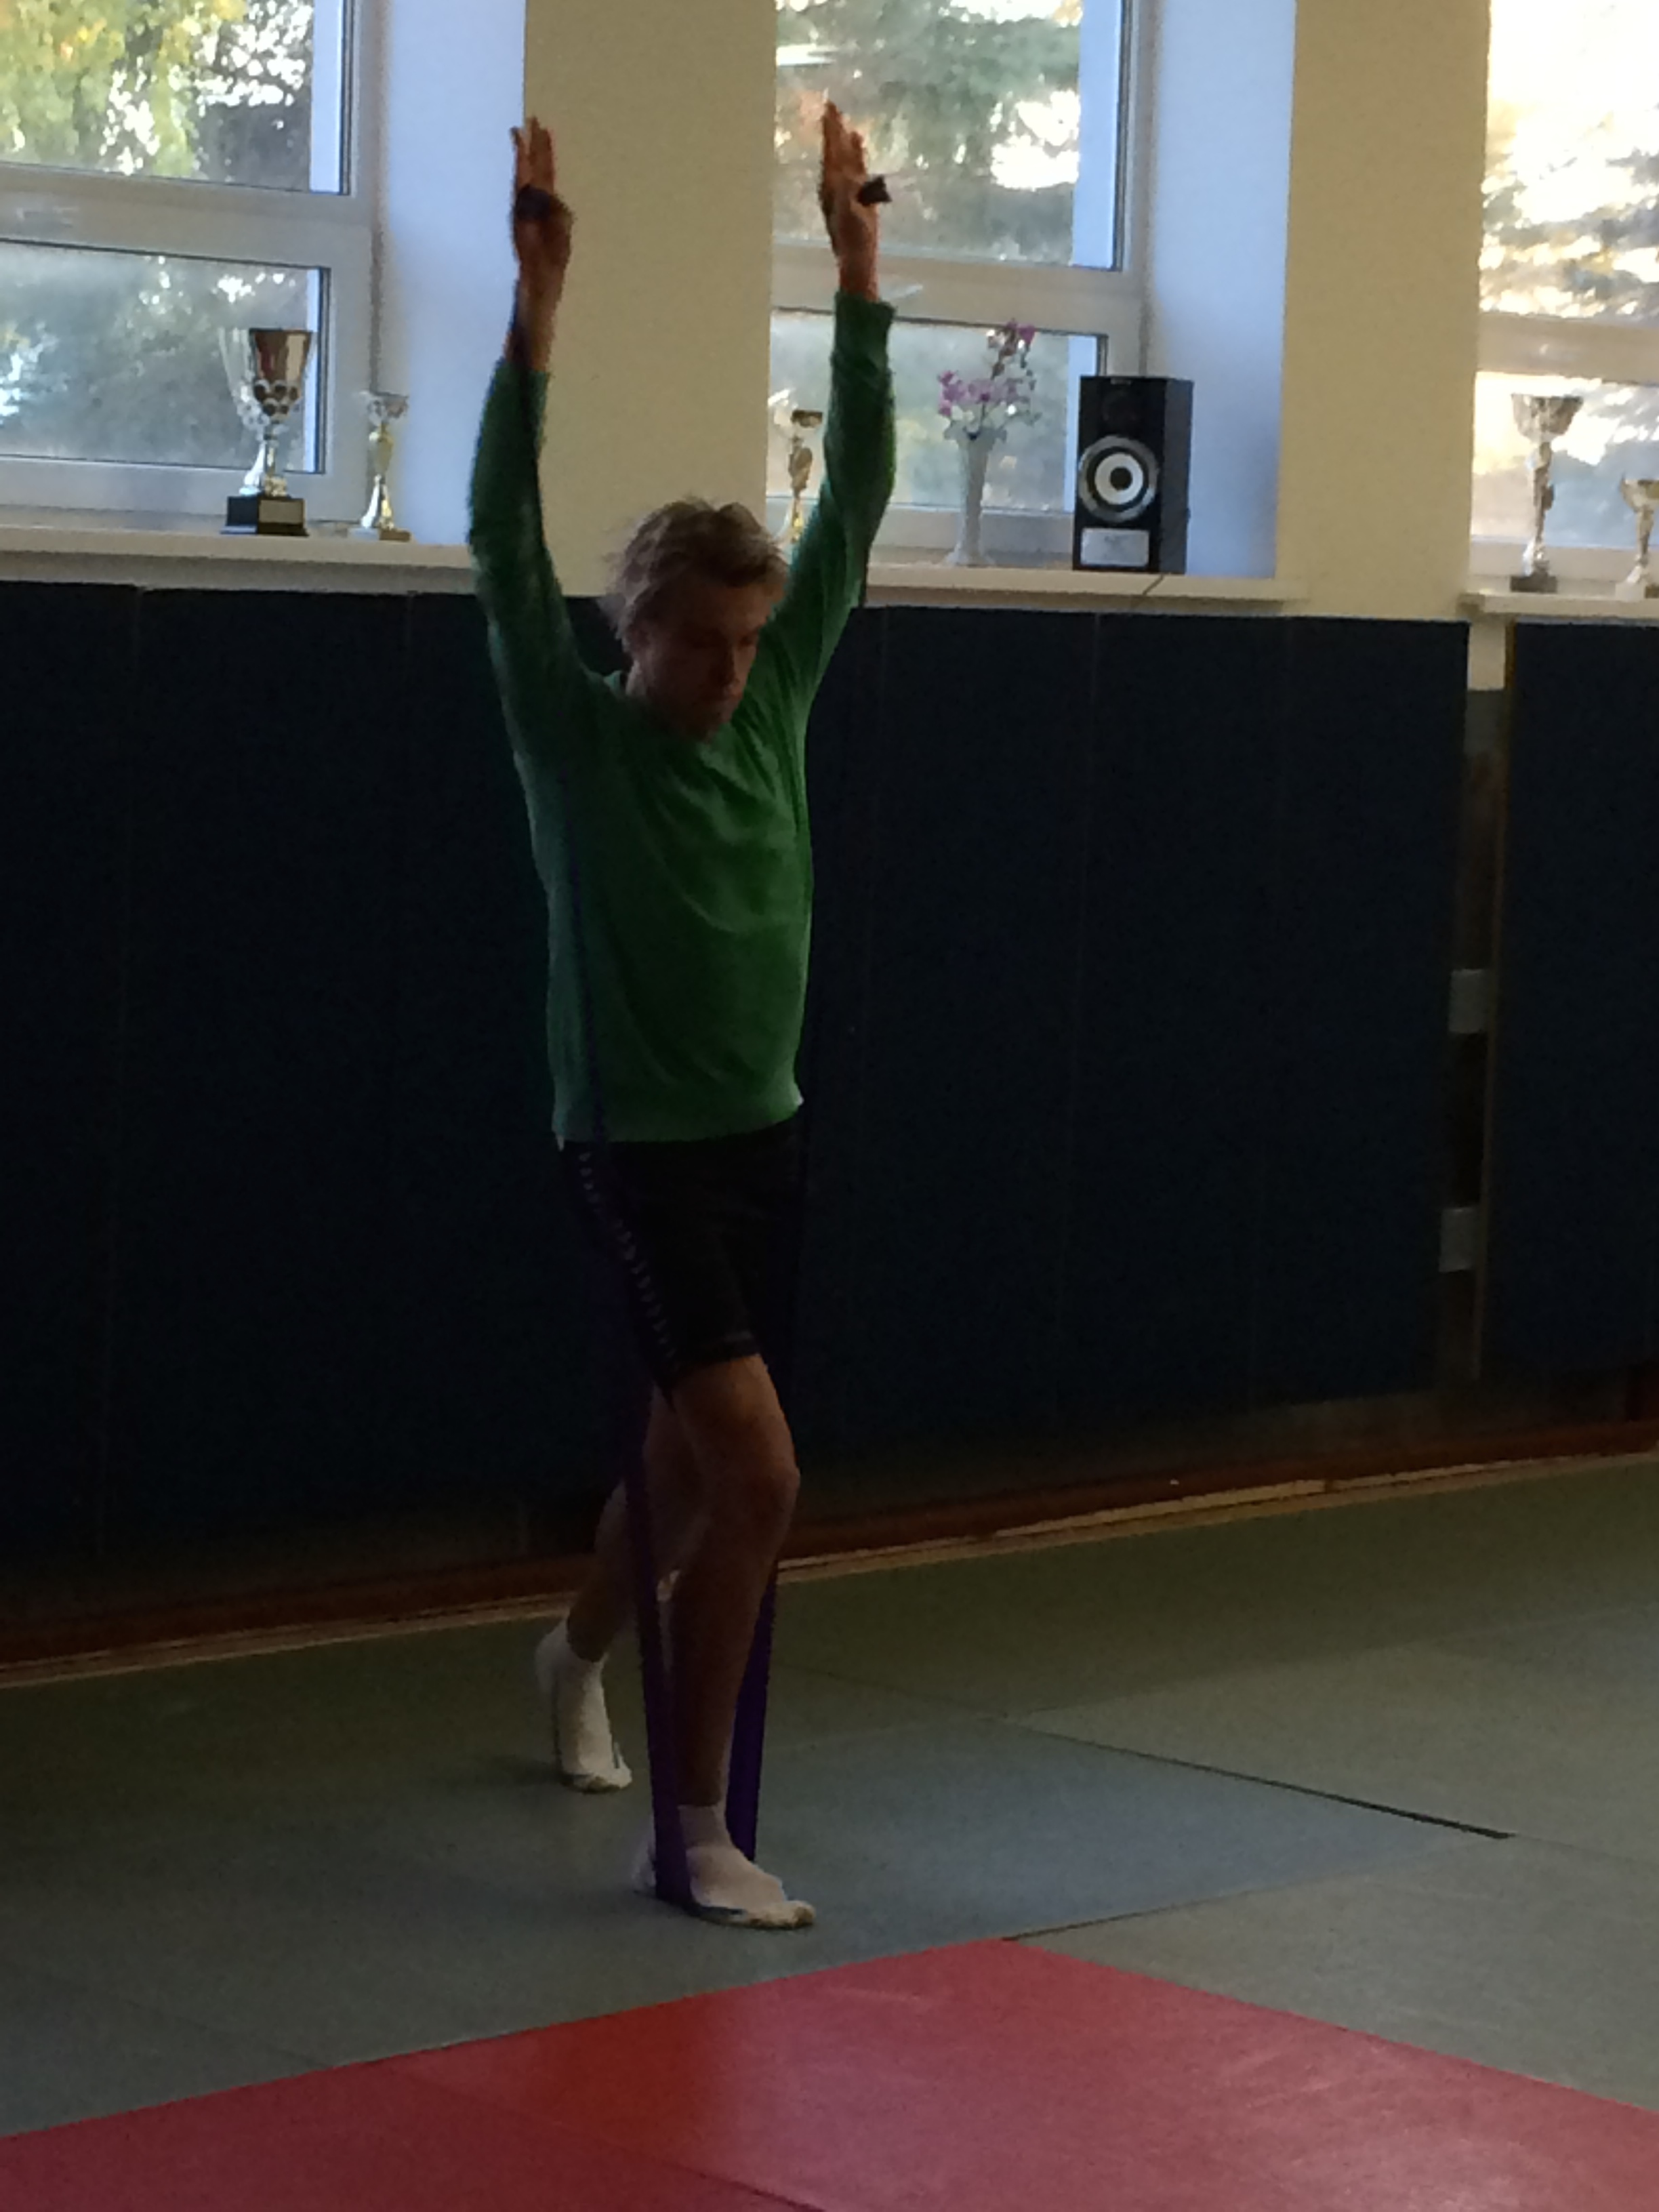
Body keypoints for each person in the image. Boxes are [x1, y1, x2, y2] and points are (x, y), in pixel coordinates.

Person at [468, 106, 893, 1928]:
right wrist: (535, 319)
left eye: (747, 644)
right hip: (633, 1150)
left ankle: (569, 1653)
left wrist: (860, 278)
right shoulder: (573, 738)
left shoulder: (778, 700)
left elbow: (853, 499)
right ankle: (700, 1831)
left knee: (681, 1459)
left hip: (762, 1139)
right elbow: (500, 537)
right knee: (760, 1474)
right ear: (631, 632)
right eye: (697, 644)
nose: (727, 673)